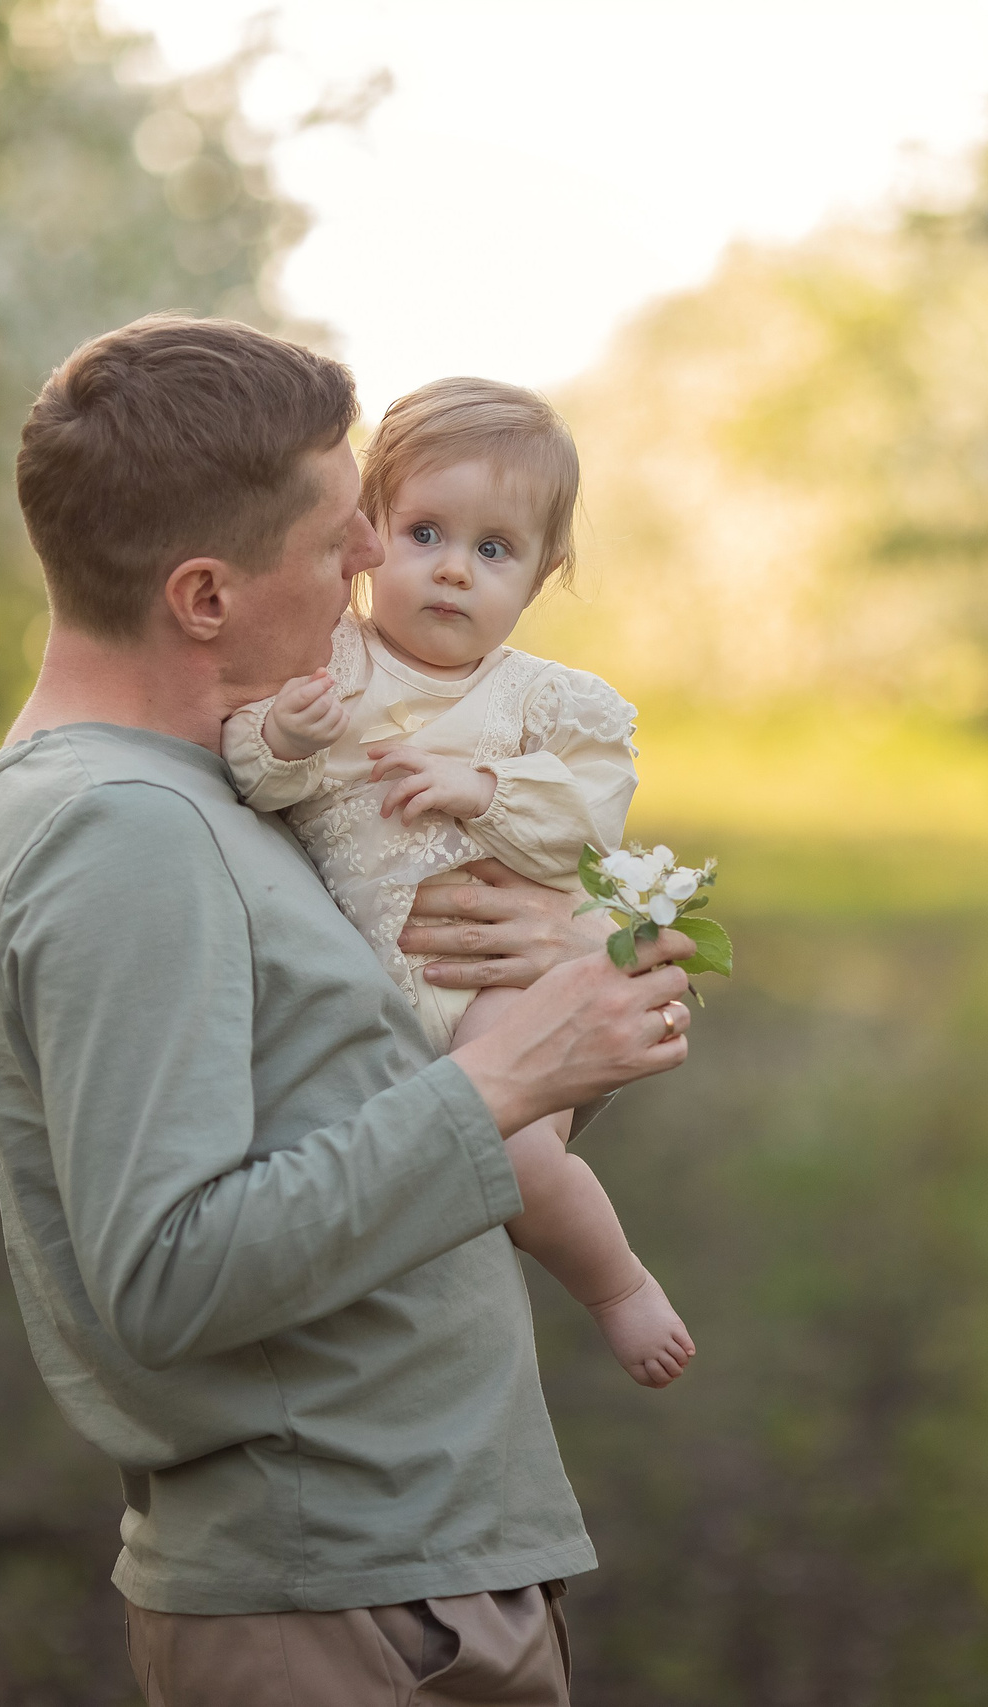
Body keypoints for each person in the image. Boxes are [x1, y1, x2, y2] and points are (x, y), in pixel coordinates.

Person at [0, 315, 694, 1706]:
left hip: (413, 1574)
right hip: (336, 1605)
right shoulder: (120, 832)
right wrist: (499, 1085)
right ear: (203, 597)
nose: (376, 560)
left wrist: (574, 962)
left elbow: (368, 1077)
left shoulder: (220, 788)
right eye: (335, 536)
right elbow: (167, 1271)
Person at [222, 378, 693, 1389]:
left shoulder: (544, 704)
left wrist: (482, 785)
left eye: (492, 550)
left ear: (538, 575)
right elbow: (255, 776)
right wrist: (281, 737)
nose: (450, 572)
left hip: (492, 985)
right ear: (369, 532)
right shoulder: (327, 667)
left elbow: (590, 819)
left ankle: (616, 1286)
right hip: (371, 996)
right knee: (370, 1180)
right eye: (425, 532)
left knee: (515, 1154)